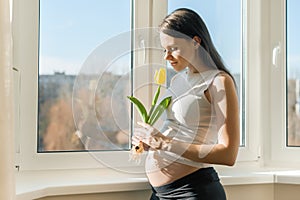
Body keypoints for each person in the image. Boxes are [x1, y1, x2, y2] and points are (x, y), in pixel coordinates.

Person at [132, 8, 240, 200]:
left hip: (194, 191)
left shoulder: (219, 81)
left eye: (173, 48)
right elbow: (178, 130)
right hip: (161, 194)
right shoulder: (177, 81)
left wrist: (164, 143)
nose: (167, 56)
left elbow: (228, 154)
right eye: (164, 50)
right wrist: (151, 142)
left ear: (195, 42)